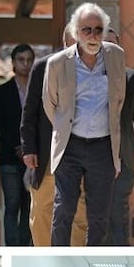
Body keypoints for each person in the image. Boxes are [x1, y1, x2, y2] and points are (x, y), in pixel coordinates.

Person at [43, 2, 125, 246]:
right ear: (76, 32)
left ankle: (92, 256)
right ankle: (59, 257)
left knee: (99, 216)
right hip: (70, 146)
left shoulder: (116, 56)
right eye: (86, 30)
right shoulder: (57, 63)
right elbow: (51, 104)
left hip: (103, 147)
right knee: (64, 210)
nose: (93, 35)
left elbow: (119, 98)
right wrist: (65, 129)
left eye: (98, 30)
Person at [20, 23, 87, 246]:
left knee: (78, 214)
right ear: (64, 42)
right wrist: (29, 149)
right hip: (47, 154)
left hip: (81, 154)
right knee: (41, 211)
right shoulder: (44, 67)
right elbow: (30, 111)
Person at [102, 28, 134, 246]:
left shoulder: (132, 78)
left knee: (118, 212)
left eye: (113, 44)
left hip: (123, 156)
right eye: (104, 45)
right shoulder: (85, 77)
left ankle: (121, 253)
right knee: (97, 215)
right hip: (94, 156)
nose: (109, 49)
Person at [0, 44, 34, 245]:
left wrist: (29, 147)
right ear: (13, 62)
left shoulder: (39, 91)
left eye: (29, 60)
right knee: (12, 204)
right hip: (9, 156)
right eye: (21, 60)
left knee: (28, 206)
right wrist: (17, 146)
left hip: (33, 157)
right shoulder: (2, 91)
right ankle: (11, 246)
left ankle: (24, 246)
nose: (25, 64)